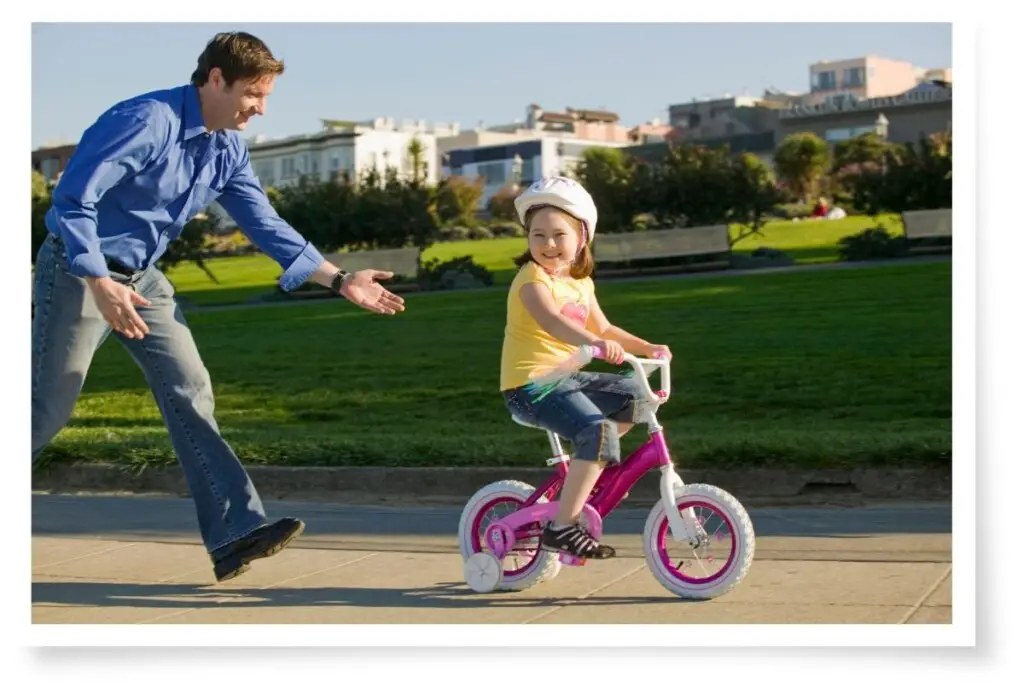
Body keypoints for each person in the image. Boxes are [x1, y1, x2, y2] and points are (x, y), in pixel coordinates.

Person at [32, 32, 406, 583]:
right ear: (214, 80)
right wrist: (97, 280)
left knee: (190, 388)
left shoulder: (225, 146)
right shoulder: (146, 121)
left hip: (144, 280)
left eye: (266, 96)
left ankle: (235, 533)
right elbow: (74, 201)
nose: (259, 108)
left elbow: (264, 222)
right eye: (252, 94)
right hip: (79, 271)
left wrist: (339, 279)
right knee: (44, 408)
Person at [499, 177, 671, 560]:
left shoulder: (581, 283)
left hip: (567, 380)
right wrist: (591, 344)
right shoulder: (531, 280)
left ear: (582, 237)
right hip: (530, 387)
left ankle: (592, 472)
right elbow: (552, 322)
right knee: (597, 432)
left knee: (637, 396)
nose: (547, 244)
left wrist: (647, 347)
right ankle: (561, 528)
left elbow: (605, 328)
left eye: (558, 235)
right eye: (538, 235)